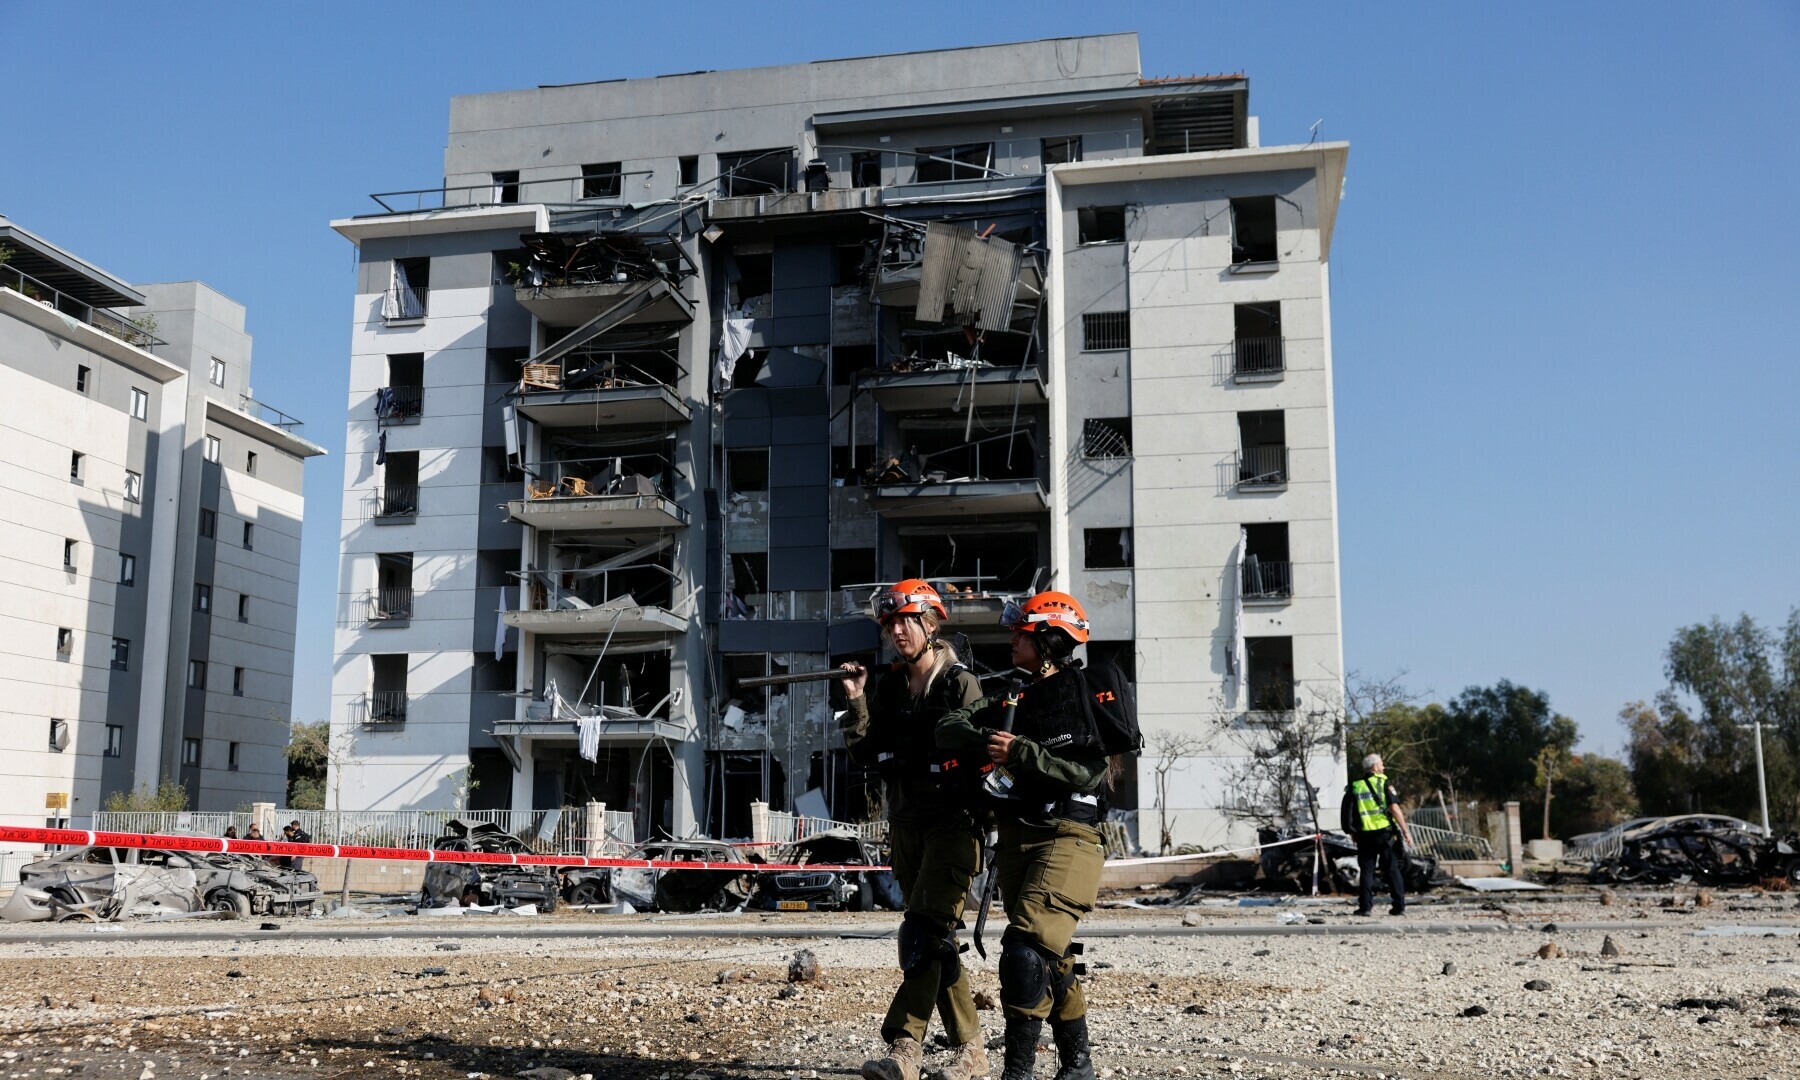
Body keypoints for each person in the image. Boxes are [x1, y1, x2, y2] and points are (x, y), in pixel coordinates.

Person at [938, 590, 1116, 1080]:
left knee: (1024, 952)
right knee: (1053, 960)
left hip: (1069, 835)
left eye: (1021, 632)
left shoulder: (1080, 695)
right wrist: (991, 739)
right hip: (1017, 837)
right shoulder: (1013, 696)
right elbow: (949, 727)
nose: (1012, 639)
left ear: (1047, 639)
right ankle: (1077, 1067)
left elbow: (1088, 773)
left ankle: (1016, 1073)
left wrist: (1019, 752)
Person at [840, 579, 988, 1080]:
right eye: (890, 624)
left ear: (930, 624)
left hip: (954, 823)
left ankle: (905, 1048)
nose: (897, 631)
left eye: (906, 621)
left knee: (921, 932)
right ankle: (972, 1053)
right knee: (935, 937)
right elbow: (865, 752)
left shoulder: (959, 684)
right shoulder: (889, 687)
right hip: (905, 825)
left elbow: (982, 757)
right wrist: (857, 699)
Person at [1341, 754, 1415, 916]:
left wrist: (1352, 832)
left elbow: (1348, 812)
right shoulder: (1383, 782)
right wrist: (1405, 831)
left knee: (1367, 871)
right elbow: (1395, 809)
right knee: (1392, 869)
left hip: (1364, 835)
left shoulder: (1355, 786)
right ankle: (1399, 906)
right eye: (1381, 764)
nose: (1383, 767)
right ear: (1374, 767)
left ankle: (1365, 907)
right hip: (1384, 834)